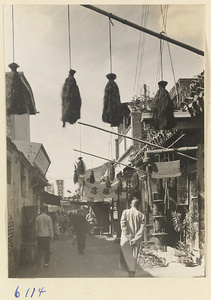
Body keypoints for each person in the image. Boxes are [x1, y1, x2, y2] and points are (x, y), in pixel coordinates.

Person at [120, 198, 145, 277]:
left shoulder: (125, 212)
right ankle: (132, 273)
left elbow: (123, 225)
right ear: (138, 205)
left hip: (125, 239)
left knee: (125, 255)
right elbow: (142, 229)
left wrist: (128, 236)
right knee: (134, 256)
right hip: (135, 240)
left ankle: (127, 272)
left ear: (131, 204)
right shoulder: (141, 215)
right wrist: (135, 238)